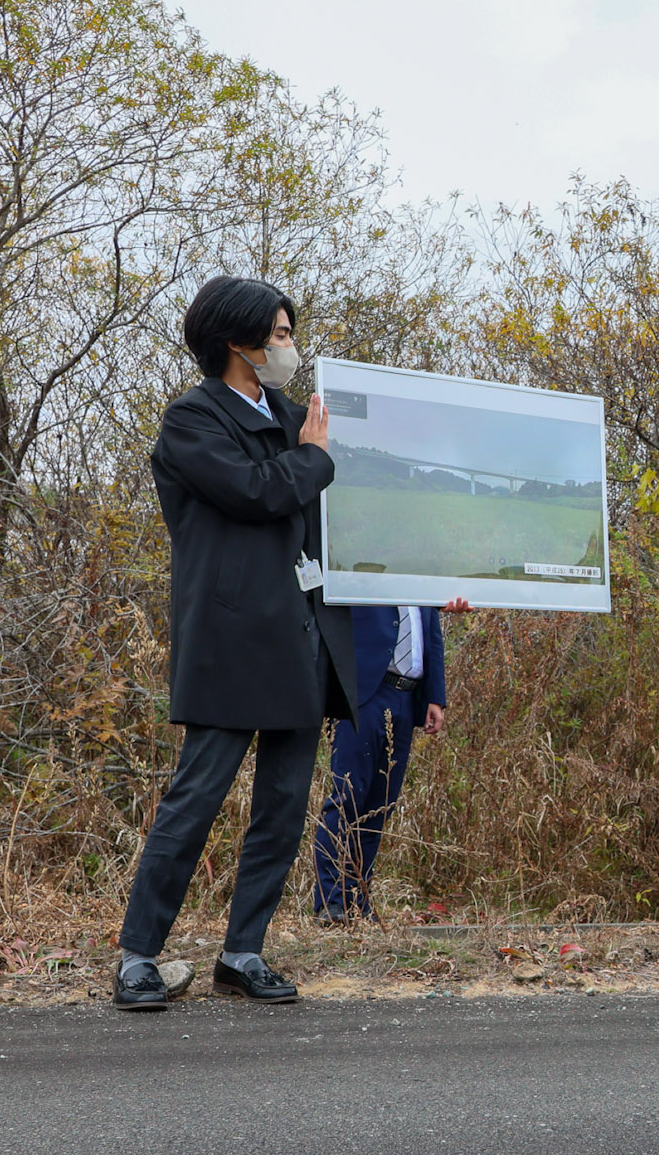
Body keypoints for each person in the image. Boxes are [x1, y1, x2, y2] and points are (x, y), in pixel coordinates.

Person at [113, 276, 358, 1012]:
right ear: (236, 343)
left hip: (301, 634)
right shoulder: (191, 420)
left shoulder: (293, 416)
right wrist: (313, 459)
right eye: (278, 334)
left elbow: (336, 522)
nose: (289, 345)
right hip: (230, 635)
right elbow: (255, 492)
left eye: (288, 331)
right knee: (198, 797)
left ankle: (243, 951)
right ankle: (138, 956)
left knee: (283, 806)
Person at [311, 600, 465, 922]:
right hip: (365, 693)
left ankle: (359, 901)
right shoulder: (367, 566)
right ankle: (331, 902)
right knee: (346, 798)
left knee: (380, 806)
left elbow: (431, 634)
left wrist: (435, 697)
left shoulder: (419, 573)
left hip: (407, 700)